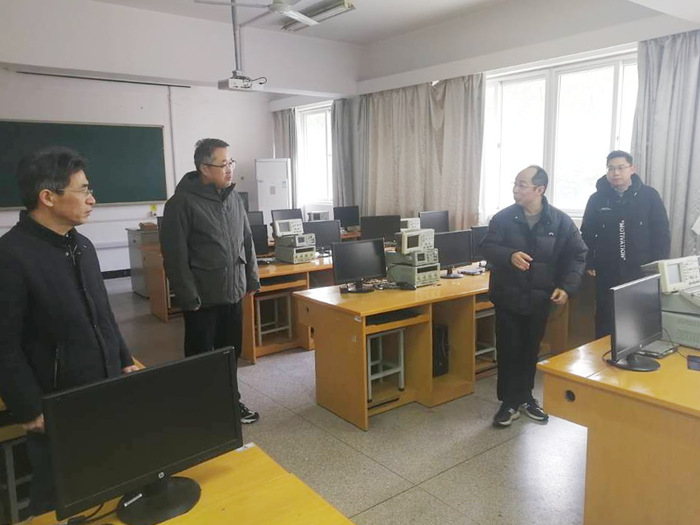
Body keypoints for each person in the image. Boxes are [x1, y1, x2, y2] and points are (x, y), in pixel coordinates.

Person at [0, 147, 138, 515]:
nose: (92, 199)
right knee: (60, 496)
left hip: (104, 385)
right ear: (47, 197)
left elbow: (103, 314)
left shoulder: (82, 245)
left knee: (112, 476)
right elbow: (4, 345)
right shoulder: (10, 256)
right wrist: (30, 408)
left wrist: (124, 358)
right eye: (83, 190)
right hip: (57, 402)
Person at [160, 138, 260, 424]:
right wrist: (188, 296)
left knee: (230, 353)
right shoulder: (181, 203)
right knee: (202, 357)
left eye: (231, 162)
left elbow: (247, 240)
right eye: (223, 164)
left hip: (233, 292)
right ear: (204, 167)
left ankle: (230, 401)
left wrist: (251, 279)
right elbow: (175, 255)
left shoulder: (234, 198)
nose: (230, 169)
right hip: (202, 298)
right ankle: (200, 410)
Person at [482, 166, 587, 427]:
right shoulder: (503, 218)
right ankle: (508, 403)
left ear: (540, 189)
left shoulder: (560, 221)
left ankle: (526, 398)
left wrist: (567, 287)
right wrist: (509, 255)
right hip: (507, 297)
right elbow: (486, 247)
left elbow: (577, 255)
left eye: (522, 185)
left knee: (530, 350)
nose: (515, 189)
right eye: (515, 184)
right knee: (508, 350)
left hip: (540, 299)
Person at [581, 151, 670, 339]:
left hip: (640, 269)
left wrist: (658, 265)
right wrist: (589, 262)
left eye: (621, 168)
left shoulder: (649, 196)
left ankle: (637, 351)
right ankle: (603, 351)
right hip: (607, 269)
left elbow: (661, 233)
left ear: (632, 169)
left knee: (637, 316)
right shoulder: (597, 199)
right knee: (606, 316)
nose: (615, 173)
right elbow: (587, 233)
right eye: (611, 168)